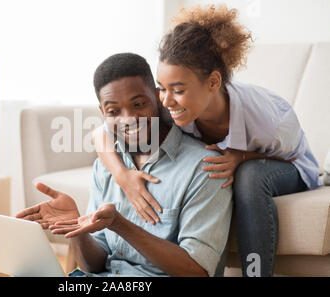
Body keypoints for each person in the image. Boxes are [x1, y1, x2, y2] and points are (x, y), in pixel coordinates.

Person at [93, 5, 321, 277]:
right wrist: (123, 177)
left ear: (213, 82)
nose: (165, 100)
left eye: (177, 90)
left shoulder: (269, 120)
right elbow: (101, 133)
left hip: (289, 167)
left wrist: (242, 156)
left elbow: (290, 156)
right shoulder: (171, 105)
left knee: (249, 176)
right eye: (162, 89)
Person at [16, 53, 233, 277]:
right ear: (102, 112)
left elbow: (197, 272)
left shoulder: (204, 167)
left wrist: (120, 225)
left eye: (138, 104)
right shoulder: (106, 165)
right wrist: (77, 227)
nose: (128, 118)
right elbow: (94, 266)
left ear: (158, 98)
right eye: (113, 111)